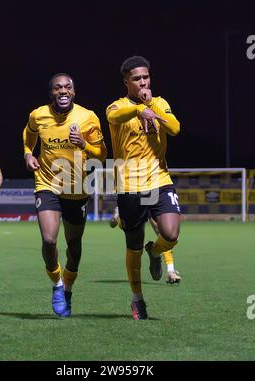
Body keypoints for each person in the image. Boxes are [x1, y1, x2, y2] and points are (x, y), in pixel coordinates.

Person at [23, 73, 107, 317]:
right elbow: (28, 138)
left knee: (74, 247)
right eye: (58, 87)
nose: (63, 90)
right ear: (51, 92)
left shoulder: (88, 117)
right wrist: (28, 154)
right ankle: (57, 284)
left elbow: (101, 154)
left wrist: (83, 144)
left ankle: (68, 288)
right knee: (49, 240)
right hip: (47, 183)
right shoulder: (38, 115)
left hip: (76, 189)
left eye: (67, 87)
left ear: (73, 92)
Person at [106, 56, 181, 320]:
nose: (143, 82)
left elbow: (174, 128)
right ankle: (137, 299)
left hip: (159, 179)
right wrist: (139, 110)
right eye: (137, 78)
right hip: (129, 185)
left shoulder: (160, 103)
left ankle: (156, 250)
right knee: (133, 245)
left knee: (171, 234)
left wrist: (150, 106)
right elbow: (114, 115)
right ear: (126, 81)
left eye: (146, 77)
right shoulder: (117, 107)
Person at [109, 207, 181, 284]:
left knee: (163, 233)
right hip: (139, 200)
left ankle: (163, 263)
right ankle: (118, 215)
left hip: (146, 200)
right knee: (130, 228)